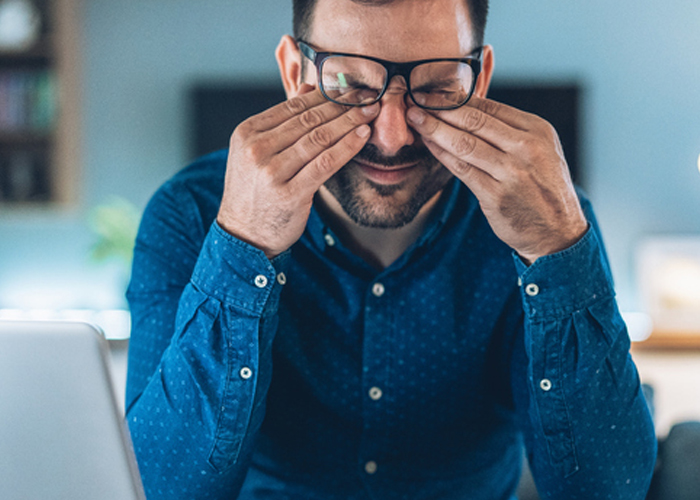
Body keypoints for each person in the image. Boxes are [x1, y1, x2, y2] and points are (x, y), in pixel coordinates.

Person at [125, 0, 657, 498]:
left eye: (438, 87)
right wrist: (245, 244)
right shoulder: (191, 213)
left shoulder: (553, 218)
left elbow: (610, 488)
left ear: (481, 79)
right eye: (350, 86)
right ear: (294, 74)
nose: (393, 134)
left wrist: (557, 250)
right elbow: (158, 486)